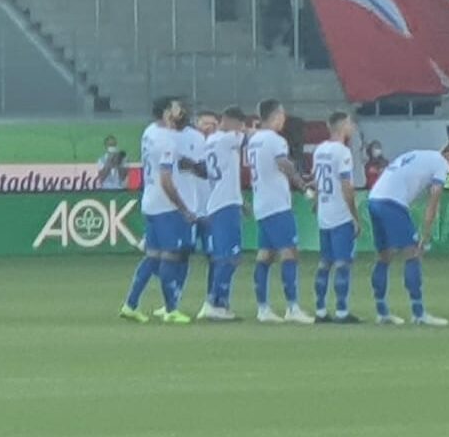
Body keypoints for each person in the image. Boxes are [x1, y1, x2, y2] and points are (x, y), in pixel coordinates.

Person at [119, 97, 200, 324]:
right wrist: (183, 208)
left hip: (150, 201)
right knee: (170, 256)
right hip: (166, 205)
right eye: (175, 107)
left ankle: (130, 304)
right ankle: (171, 309)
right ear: (167, 113)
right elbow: (166, 179)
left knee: (153, 256)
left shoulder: (149, 132)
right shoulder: (167, 141)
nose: (179, 110)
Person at [365, 143, 449, 327]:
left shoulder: (421, 154)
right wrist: (425, 233)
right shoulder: (441, 163)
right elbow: (434, 199)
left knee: (384, 256)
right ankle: (418, 313)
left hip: (375, 198)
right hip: (392, 202)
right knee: (413, 253)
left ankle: (381, 311)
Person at [247, 99, 314, 324]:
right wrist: (302, 185)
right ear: (275, 115)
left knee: (265, 255)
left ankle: (263, 308)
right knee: (289, 252)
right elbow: (283, 164)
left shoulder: (254, 140)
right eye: (282, 115)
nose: (284, 119)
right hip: (276, 204)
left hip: (262, 203)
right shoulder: (275, 140)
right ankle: (292, 307)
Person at [195, 107, 248, 322]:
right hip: (225, 204)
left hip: (221, 201)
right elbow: (250, 139)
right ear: (230, 121)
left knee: (226, 257)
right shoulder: (227, 140)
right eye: (240, 125)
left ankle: (220, 302)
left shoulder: (210, 142)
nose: (241, 130)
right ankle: (212, 302)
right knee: (229, 257)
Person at [310, 111, 362, 324]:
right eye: (350, 123)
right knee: (342, 263)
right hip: (340, 215)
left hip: (324, 213)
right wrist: (355, 216)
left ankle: (320, 309)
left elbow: (316, 182)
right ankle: (341, 310)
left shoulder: (319, 150)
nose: (352, 127)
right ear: (343, 126)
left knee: (324, 262)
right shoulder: (343, 152)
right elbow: (346, 186)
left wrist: (316, 203)